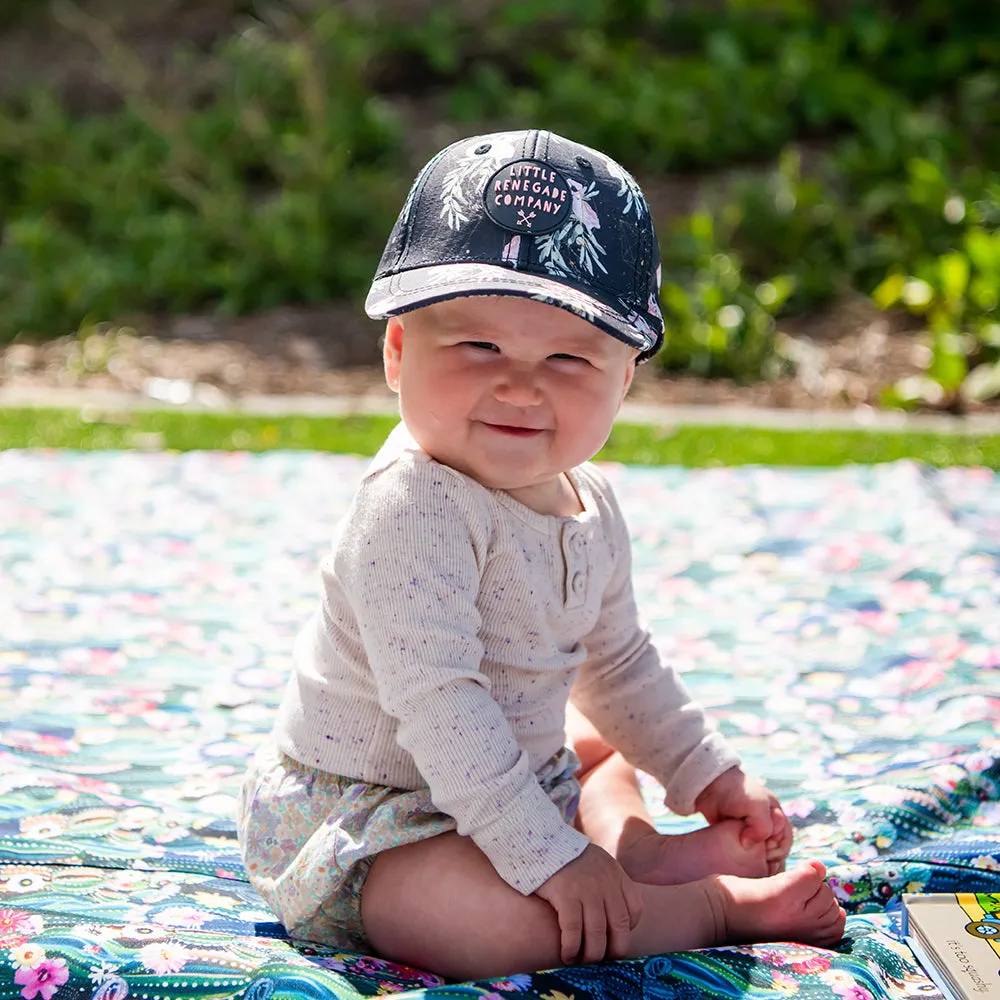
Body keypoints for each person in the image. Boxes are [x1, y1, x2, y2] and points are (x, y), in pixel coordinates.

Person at [237, 129, 847, 981]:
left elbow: (622, 662)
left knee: (601, 749)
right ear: (398, 352)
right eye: (479, 347)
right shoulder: (414, 506)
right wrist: (544, 856)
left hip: (520, 773)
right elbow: (440, 704)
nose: (521, 385)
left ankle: (632, 852)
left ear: (623, 379)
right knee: (496, 926)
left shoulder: (590, 501)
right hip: (380, 816)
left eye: (568, 358)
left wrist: (707, 772)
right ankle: (703, 907)